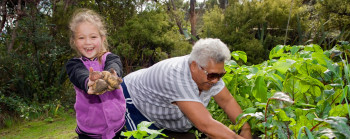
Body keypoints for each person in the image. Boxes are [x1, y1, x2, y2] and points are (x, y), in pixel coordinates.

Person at [122, 38, 252, 139]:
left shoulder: (209, 74)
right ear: (194, 66)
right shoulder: (175, 75)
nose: (216, 80)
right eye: (212, 75)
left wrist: (245, 128)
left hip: (158, 111)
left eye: (221, 75)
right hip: (134, 103)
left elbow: (227, 101)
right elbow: (206, 125)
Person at [65, 8, 126, 139]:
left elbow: (114, 65)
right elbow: (79, 75)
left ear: (102, 38)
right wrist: (89, 82)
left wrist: (111, 75)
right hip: (89, 133)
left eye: (93, 37)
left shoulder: (110, 57)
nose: (88, 42)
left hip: (118, 128)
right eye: (81, 38)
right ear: (75, 41)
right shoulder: (74, 64)